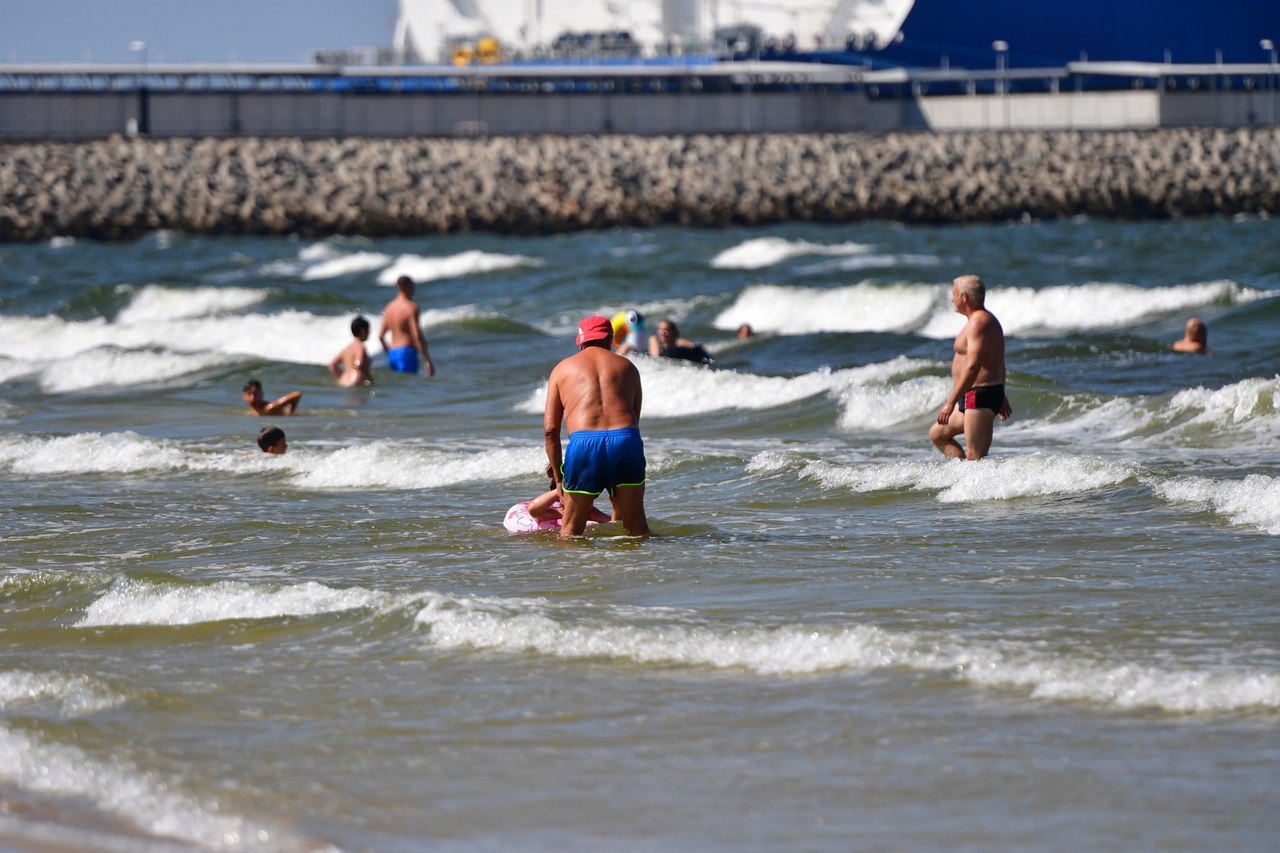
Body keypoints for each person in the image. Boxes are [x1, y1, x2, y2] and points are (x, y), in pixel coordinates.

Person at [543, 315, 650, 538]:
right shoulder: (628, 367)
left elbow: (550, 430)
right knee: (637, 529)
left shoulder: (562, 369)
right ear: (609, 339)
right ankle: (640, 571)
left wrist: (559, 478)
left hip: (584, 443)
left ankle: (576, 573)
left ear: (580, 342)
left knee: (571, 531)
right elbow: (634, 418)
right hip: (625, 440)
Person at [929, 274, 1012, 460]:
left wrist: (950, 403)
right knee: (938, 434)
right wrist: (1002, 391)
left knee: (976, 458)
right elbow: (999, 362)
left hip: (980, 395)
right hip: (976, 394)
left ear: (964, 297)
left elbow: (973, 366)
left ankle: (984, 488)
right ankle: (960, 478)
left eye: (954, 293)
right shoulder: (981, 320)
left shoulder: (979, 323)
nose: (952, 298)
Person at [379, 275, 435, 376]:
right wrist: (427, 360)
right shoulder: (411, 307)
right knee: (409, 385)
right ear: (408, 287)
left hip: (392, 353)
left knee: (398, 387)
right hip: (406, 352)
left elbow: (381, 336)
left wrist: (389, 353)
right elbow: (417, 335)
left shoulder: (388, 308)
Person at [329, 315, 374, 387]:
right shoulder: (361, 347)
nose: (369, 333)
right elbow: (359, 364)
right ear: (362, 331)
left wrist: (341, 378)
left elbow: (332, 365)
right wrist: (369, 380)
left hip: (343, 382)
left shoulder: (347, 348)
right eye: (368, 330)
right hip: (355, 382)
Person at [648, 318, 715, 366]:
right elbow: (656, 358)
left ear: (673, 332)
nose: (663, 333)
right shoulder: (654, 341)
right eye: (660, 329)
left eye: (666, 330)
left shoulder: (678, 342)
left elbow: (693, 346)